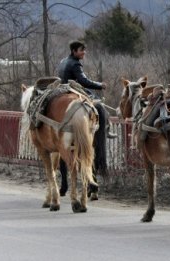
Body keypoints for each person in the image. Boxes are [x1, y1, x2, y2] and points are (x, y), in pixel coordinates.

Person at [56, 40, 114, 198]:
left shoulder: (62, 62)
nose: (84, 53)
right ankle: (105, 128)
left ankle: (64, 186)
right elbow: (83, 81)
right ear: (74, 51)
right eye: (82, 50)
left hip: (62, 93)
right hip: (74, 91)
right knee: (99, 107)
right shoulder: (75, 64)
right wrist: (99, 85)